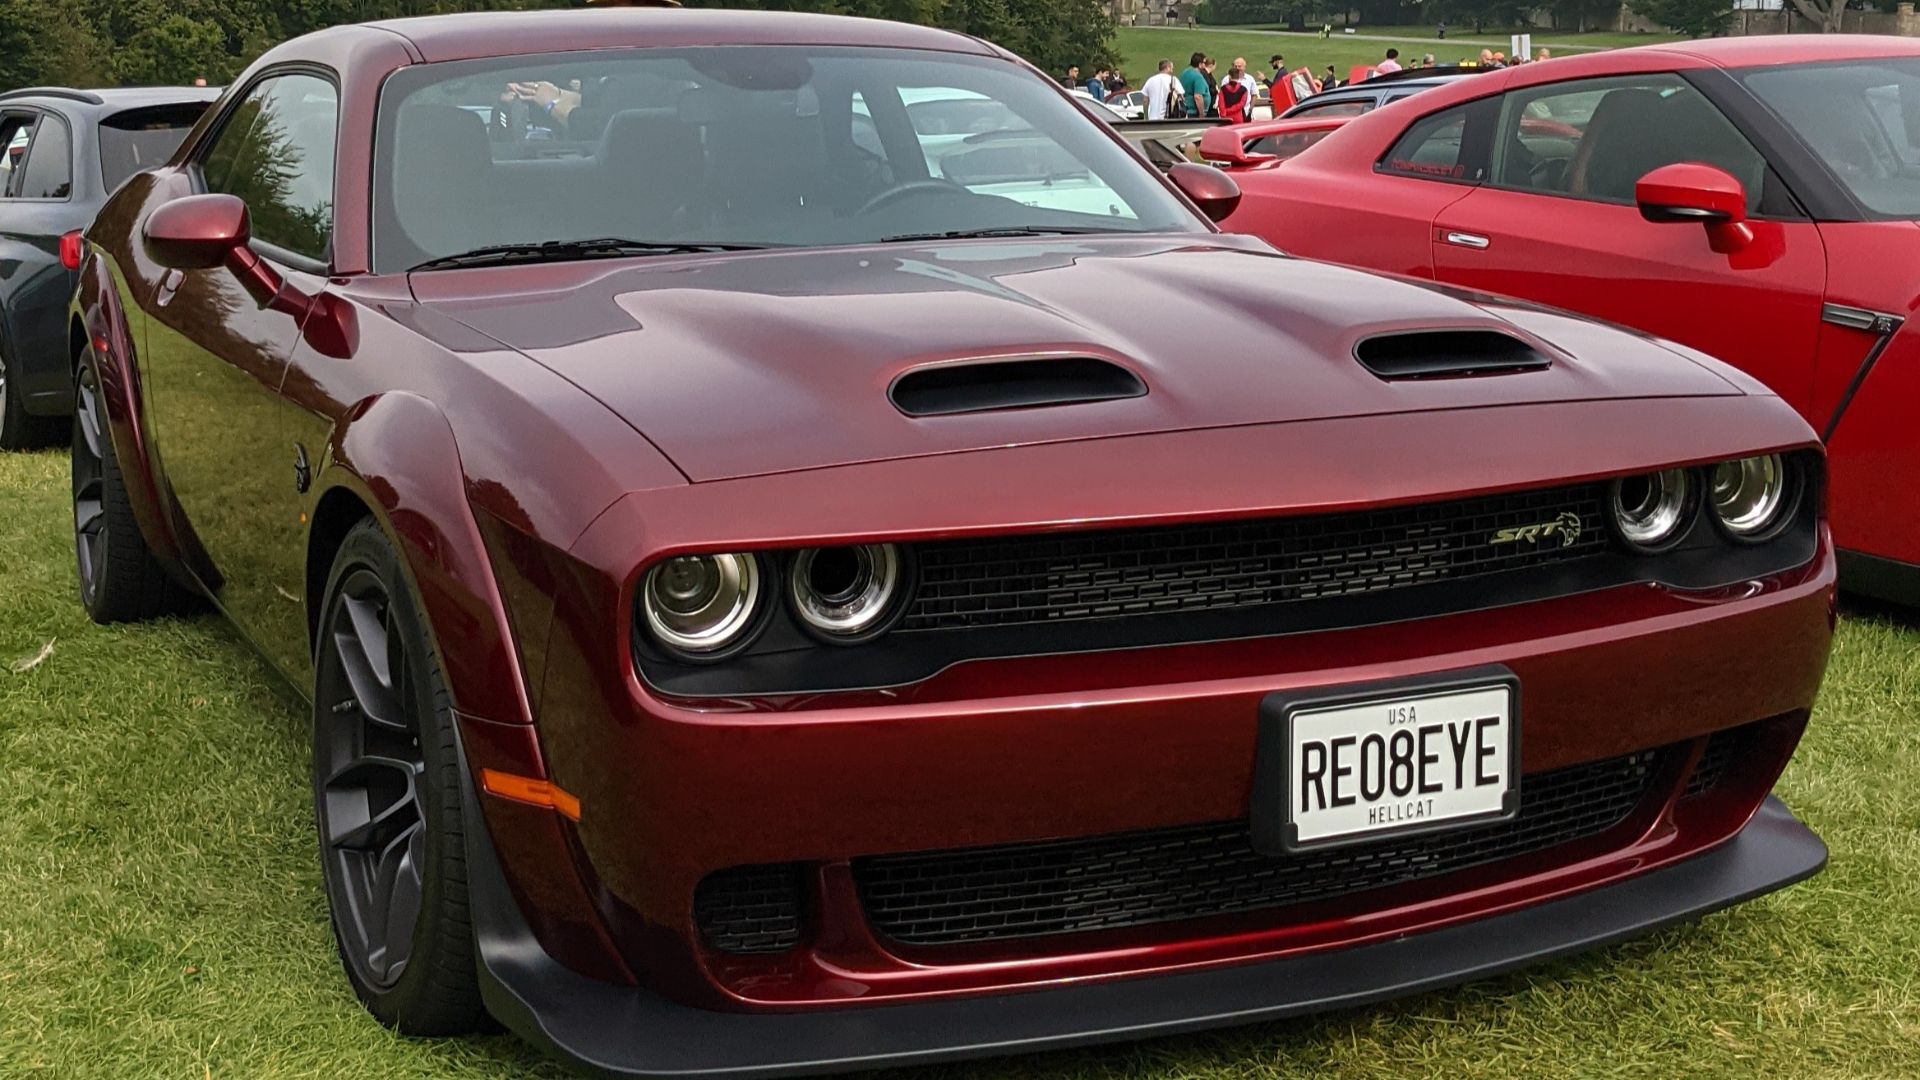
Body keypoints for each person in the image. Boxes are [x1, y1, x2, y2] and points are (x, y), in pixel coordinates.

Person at [1180, 52, 1212, 119]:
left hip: (1186, 111)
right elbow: (1198, 96)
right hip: (1194, 113)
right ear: (1200, 64)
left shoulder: (1185, 73)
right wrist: (1201, 114)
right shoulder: (1198, 76)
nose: (1206, 65)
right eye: (1204, 63)